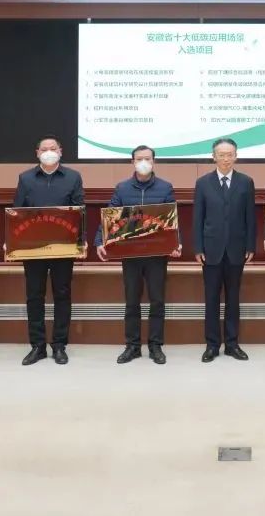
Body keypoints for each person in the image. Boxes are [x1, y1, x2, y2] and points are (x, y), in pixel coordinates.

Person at [96, 145, 181, 366]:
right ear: (132, 162)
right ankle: (132, 346)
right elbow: (110, 218)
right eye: (139, 159)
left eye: (148, 158)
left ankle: (155, 346)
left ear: (154, 161)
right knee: (132, 301)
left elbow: (172, 219)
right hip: (131, 254)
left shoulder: (165, 187)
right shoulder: (122, 188)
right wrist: (99, 241)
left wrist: (175, 243)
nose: (144, 162)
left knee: (157, 301)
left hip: (156, 255)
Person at [12, 135, 84, 367]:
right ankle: (38, 346)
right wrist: (13, 241)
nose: (49, 152)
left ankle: (60, 345)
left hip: (64, 246)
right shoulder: (25, 178)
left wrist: (80, 241)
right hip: (33, 247)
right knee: (34, 296)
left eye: (53, 148)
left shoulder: (73, 177)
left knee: (62, 294)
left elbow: (79, 211)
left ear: (60, 151)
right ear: (37, 153)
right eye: (44, 149)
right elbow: (17, 212)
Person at [193, 138, 256, 362]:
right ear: (214, 157)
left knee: (233, 299)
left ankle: (232, 344)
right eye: (222, 155)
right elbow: (198, 218)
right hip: (211, 250)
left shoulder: (246, 182)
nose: (226, 159)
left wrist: (250, 245)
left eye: (230, 154)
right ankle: (212, 345)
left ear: (236, 156)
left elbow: (250, 217)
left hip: (237, 249)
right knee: (211, 299)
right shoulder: (203, 183)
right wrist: (198, 247)